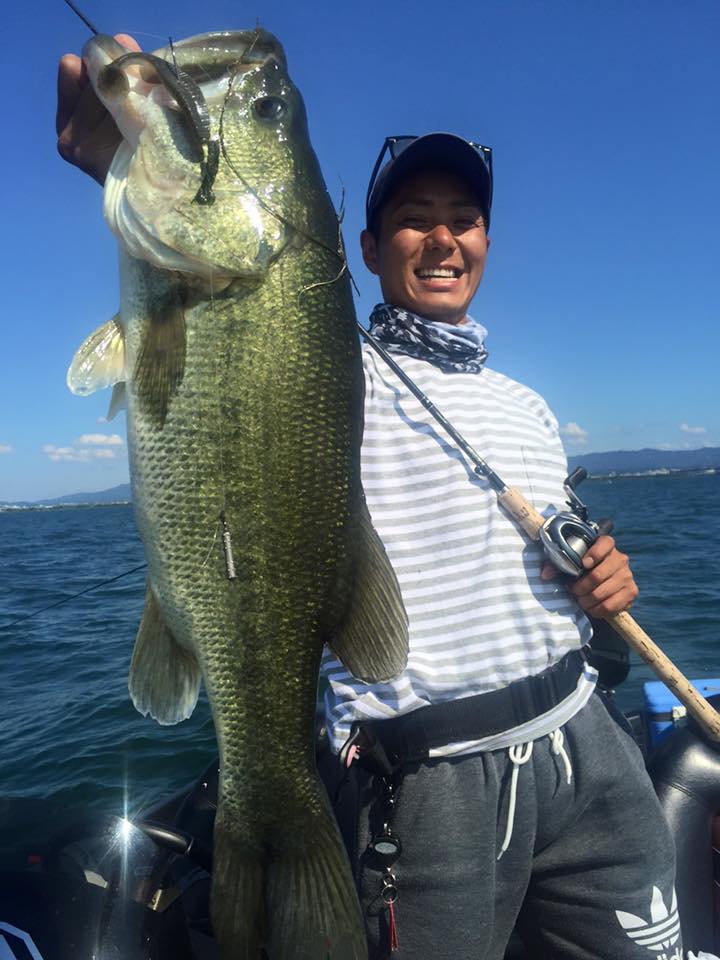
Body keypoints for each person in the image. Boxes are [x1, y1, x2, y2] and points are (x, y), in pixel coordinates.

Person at [56, 40, 681, 960]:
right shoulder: (343, 365)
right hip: (432, 776)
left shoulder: (527, 405)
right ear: (367, 249)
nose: (443, 239)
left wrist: (599, 579)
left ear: (487, 242)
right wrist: (133, 159)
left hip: (588, 745)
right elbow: (248, 337)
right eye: (413, 221)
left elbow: (544, 560)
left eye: (463, 220)